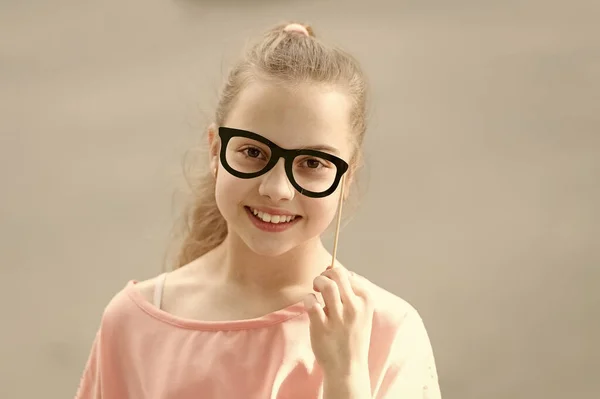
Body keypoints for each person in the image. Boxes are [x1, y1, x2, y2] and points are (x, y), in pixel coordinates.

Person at [75, 21, 441, 399]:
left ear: (348, 177)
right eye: (253, 152)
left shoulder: (386, 332)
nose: (276, 189)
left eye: (312, 163)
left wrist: (346, 377)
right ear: (216, 150)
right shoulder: (134, 323)